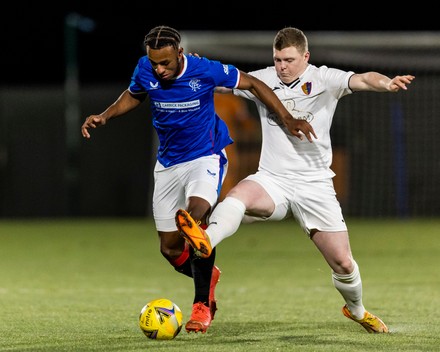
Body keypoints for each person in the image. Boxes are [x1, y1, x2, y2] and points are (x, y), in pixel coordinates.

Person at [176, 27, 415, 333]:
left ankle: (357, 310)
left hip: (315, 185)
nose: (282, 66)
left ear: (306, 56)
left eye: (288, 60)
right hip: (273, 179)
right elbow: (221, 84)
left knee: (343, 264)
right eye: (277, 60)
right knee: (237, 196)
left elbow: (364, 78)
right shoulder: (262, 79)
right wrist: (194, 68)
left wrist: (388, 83)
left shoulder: (325, 78)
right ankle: (205, 240)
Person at [81, 25, 316, 334]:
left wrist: (286, 118)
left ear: (180, 54)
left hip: (205, 155)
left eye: (166, 62)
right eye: (154, 63)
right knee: (169, 248)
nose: (160, 69)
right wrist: (105, 115)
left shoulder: (204, 70)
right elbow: (134, 93)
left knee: (194, 219)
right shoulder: (145, 68)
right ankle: (208, 274)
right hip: (167, 164)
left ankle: (202, 306)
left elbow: (254, 84)